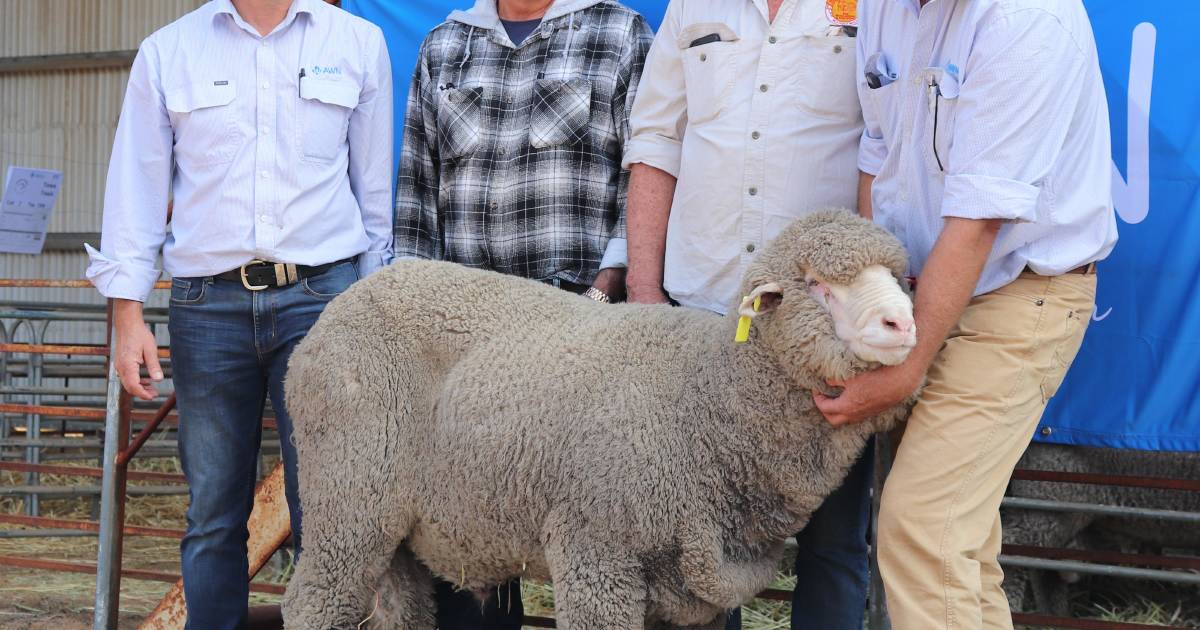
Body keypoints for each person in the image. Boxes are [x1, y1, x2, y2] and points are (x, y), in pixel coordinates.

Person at [85, 0, 393, 626]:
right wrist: (127, 315)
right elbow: (135, 189)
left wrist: (375, 311)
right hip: (208, 307)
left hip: (322, 301)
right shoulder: (168, 50)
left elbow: (375, 192)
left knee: (330, 507)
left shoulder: (358, 42)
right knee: (213, 513)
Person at [815, 0, 1119, 628]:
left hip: (1018, 294)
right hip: (920, 291)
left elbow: (980, 217)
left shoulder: (1028, 18)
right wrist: (880, 302)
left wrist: (905, 366)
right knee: (955, 543)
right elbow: (878, 155)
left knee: (925, 526)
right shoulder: (882, 6)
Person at [394, 0, 652, 625]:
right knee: (468, 538)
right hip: (468, 339)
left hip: (580, 331)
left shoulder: (619, 33)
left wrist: (605, 290)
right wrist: (412, 322)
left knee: (593, 530)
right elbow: (416, 197)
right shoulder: (444, 45)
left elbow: (643, 174)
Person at [622, 0, 873, 628]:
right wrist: (645, 294)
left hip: (825, 324)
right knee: (694, 537)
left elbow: (884, 146)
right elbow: (656, 142)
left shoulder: (875, 9)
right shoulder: (691, 8)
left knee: (835, 541)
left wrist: (867, 300)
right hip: (702, 313)